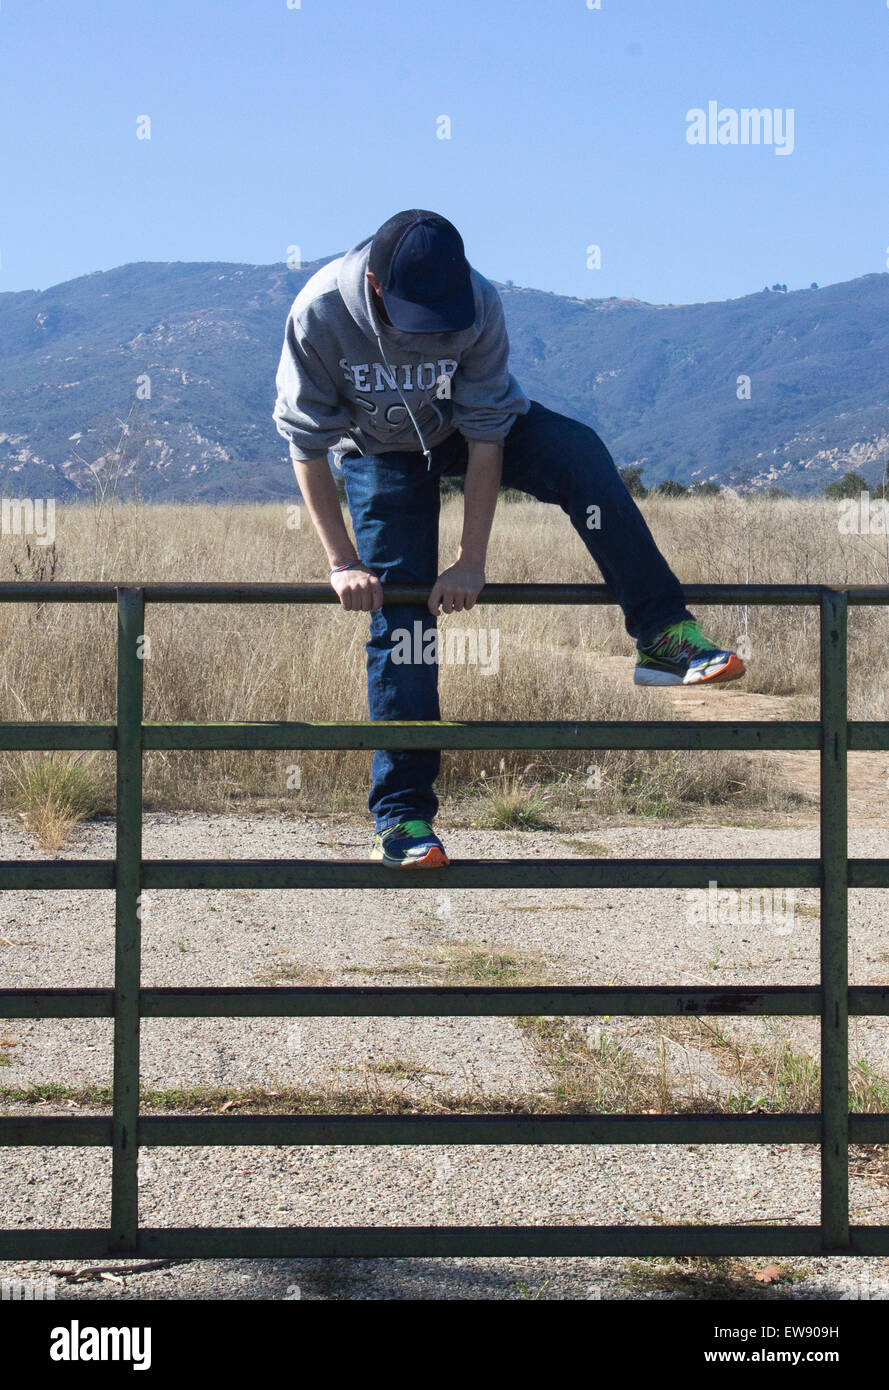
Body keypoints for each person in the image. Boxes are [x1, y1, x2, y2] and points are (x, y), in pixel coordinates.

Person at [274, 210, 744, 868]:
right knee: (401, 615)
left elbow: (488, 431)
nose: (432, 332)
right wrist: (341, 561)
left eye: (441, 316)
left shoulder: (479, 302)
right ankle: (404, 816)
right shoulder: (320, 312)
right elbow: (305, 443)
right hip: (381, 456)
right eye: (418, 318)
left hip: (465, 432)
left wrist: (470, 560)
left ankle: (662, 634)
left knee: (579, 453)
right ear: (377, 286)